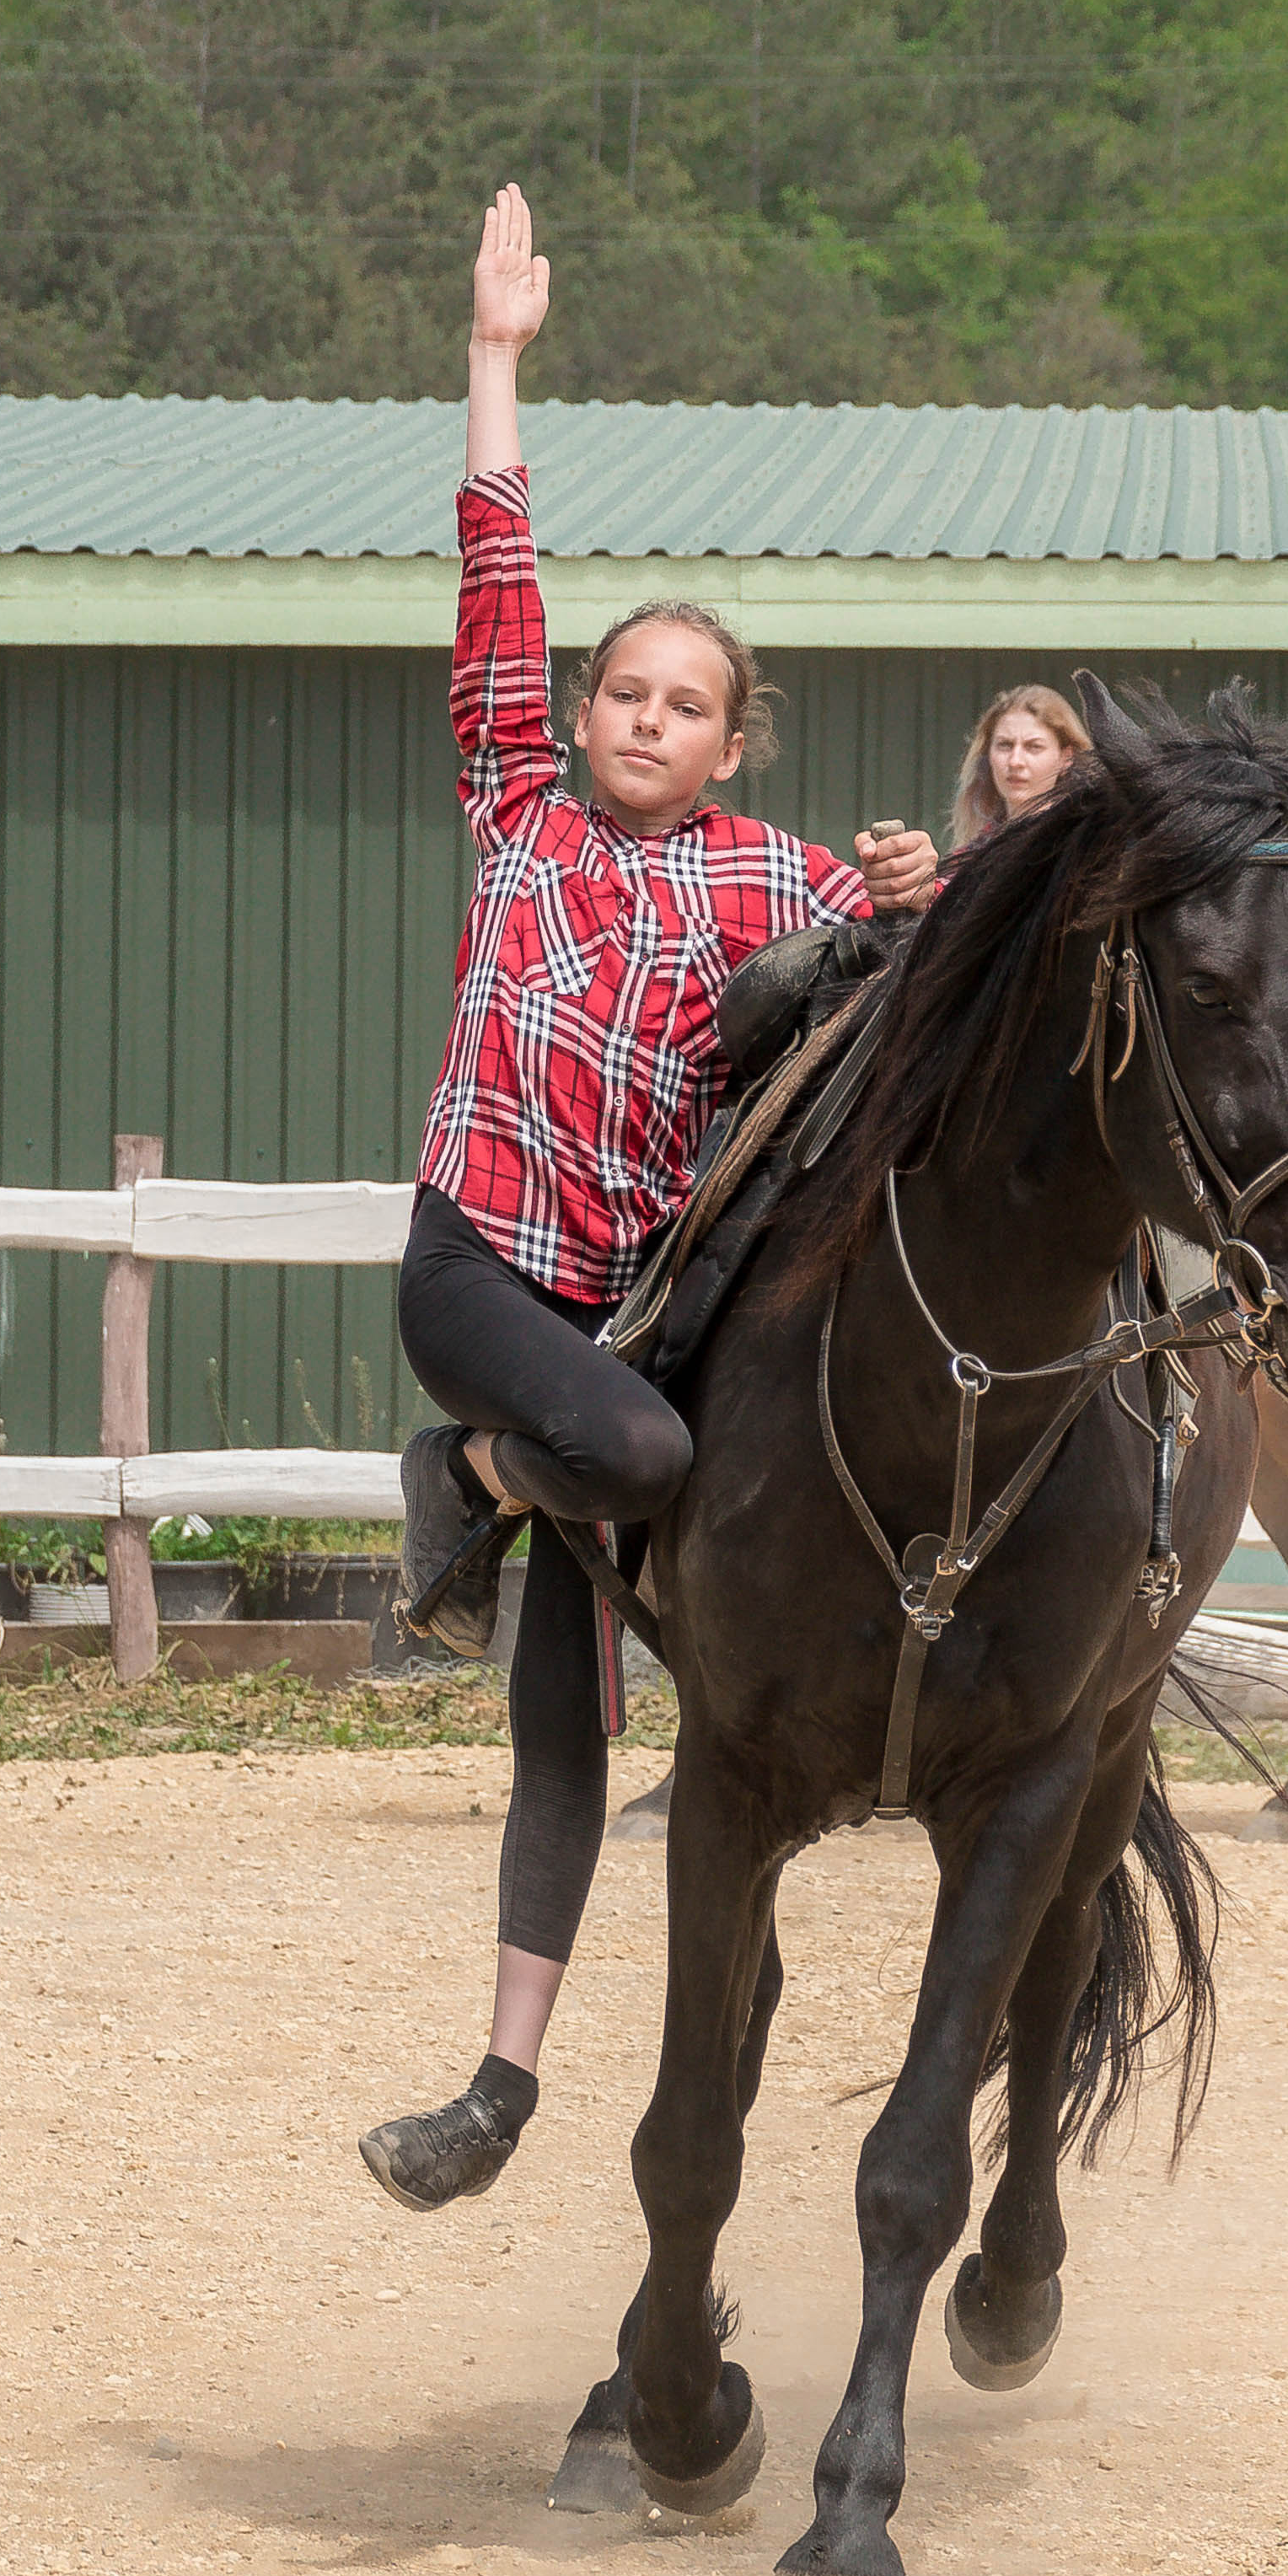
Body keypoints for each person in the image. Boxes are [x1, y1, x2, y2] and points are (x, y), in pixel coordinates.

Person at [360, 185, 938, 2214]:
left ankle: (497, 2086)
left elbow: (901, 974)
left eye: (681, 704)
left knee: (568, 1716)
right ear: (577, 710)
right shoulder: (512, 798)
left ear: (726, 740)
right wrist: (495, 357)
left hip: (628, 1295)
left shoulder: (768, 878)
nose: (638, 718)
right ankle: (475, 1469)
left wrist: (913, 894)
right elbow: (496, 568)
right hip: (488, 1280)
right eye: (621, 690)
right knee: (624, 1445)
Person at [949, 684, 1092, 847]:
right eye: (1005, 745)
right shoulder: (971, 855)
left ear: (1066, 758)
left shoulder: (1085, 847)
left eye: (1034, 747)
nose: (1015, 762)